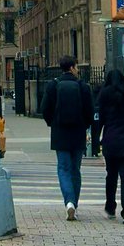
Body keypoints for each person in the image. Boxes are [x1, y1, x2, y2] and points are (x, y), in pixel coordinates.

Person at [40, 54, 94, 222]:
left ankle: (69, 202)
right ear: (72, 67)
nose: (77, 70)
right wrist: (84, 125)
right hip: (77, 133)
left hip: (60, 133)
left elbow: (45, 109)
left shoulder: (53, 86)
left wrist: (53, 124)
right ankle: (74, 205)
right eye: (76, 67)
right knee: (75, 170)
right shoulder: (83, 87)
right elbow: (90, 112)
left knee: (63, 168)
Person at [91, 68, 124, 225]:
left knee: (111, 175)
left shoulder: (105, 95)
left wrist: (95, 142)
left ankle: (110, 206)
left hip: (111, 141)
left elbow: (100, 120)